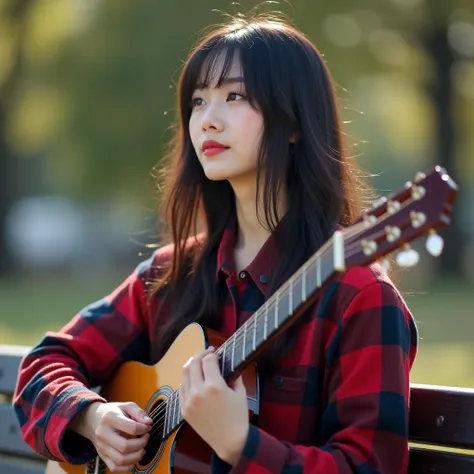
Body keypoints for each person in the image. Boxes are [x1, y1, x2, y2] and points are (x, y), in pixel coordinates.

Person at [13, 13, 418, 474]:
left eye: (235, 96)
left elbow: (371, 466)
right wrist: (93, 415)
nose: (207, 120)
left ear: (295, 122)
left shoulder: (359, 297)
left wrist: (238, 442)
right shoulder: (171, 275)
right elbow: (44, 364)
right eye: (198, 101)